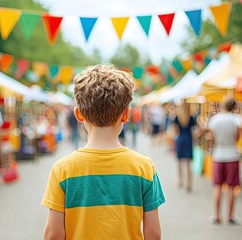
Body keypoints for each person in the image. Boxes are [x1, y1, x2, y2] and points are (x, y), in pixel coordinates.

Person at [42, 65, 165, 240]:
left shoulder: (62, 169)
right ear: (126, 115)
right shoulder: (144, 167)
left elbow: (53, 235)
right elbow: (153, 234)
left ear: (78, 114)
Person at [208, 97, 242, 225]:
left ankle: (217, 215)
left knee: (218, 186)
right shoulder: (236, 120)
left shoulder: (214, 119)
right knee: (232, 187)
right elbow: (237, 137)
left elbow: (212, 138)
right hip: (232, 154)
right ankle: (230, 216)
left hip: (218, 154)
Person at [172, 101, 197, 192]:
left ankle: (180, 181)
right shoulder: (191, 118)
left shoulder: (177, 118)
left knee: (179, 162)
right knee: (188, 163)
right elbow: (194, 130)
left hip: (180, 139)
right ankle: (189, 183)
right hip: (188, 140)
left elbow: (175, 130)